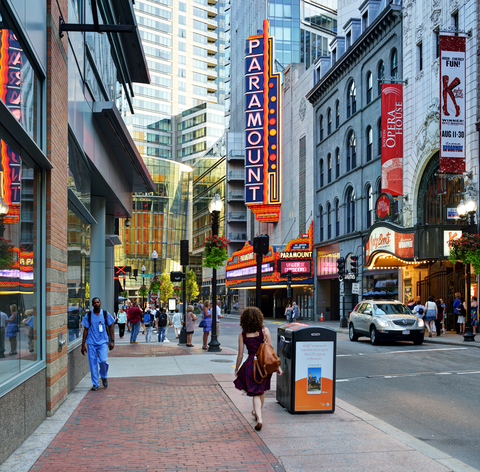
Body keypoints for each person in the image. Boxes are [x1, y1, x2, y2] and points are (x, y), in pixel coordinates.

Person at [234, 307, 283, 431]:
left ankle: (259, 418)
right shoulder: (264, 331)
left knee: (257, 392)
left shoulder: (243, 335)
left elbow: (240, 355)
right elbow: (271, 351)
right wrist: (278, 367)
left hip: (251, 365)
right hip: (264, 364)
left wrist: (237, 368)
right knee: (260, 391)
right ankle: (257, 413)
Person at [81, 297, 115, 391]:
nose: (96, 304)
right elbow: (86, 330)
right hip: (91, 342)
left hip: (103, 341)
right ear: (92, 304)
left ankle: (103, 376)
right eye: (94, 303)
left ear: (100, 303)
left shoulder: (105, 314)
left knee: (103, 360)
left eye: (97, 302)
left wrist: (112, 340)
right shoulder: (89, 315)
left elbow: (111, 327)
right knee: (92, 364)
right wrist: (83, 345)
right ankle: (95, 383)